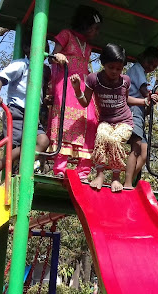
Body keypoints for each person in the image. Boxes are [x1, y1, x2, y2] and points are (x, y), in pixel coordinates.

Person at [0, 32, 50, 206]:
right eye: (40, 46)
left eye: (46, 47)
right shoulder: (21, 64)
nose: (44, 50)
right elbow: (1, 78)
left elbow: (41, 92)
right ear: (27, 48)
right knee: (16, 149)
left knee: (43, 141)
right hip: (17, 112)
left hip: (33, 114)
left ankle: (15, 170)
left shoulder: (43, 70)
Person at [70, 43, 147, 192]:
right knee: (101, 136)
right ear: (103, 64)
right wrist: (77, 89)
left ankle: (115, 177)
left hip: (124, 121)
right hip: (106, 121)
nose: (115, 71)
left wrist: (144, 101)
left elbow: (125, 99)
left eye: (119, 68)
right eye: (111, 67)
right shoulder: (94, 79)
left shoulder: (125, 80)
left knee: (114, 140)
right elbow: (85, 102)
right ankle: (100, 174)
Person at [49, 4, 101, 179]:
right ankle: (60, 168)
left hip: (83, 87)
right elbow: (52, 57)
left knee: (89, 121)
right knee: (65, 120)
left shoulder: (88, 45)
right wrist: (58, 57)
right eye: (95, 28)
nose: (97, 32)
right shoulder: (66, 35)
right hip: (66, 84)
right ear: (85, 24)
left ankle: (83, 170)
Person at [126, 47, 158, 179]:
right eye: (150, 63)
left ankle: (129, 181)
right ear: (143, 57)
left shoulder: (141, 72)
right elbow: (145, 92)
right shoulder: (137, 69)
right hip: (133, 111)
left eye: (154, 66)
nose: (151, 67)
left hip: (139, 113)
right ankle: (127, 182)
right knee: (137, 148)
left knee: (144, 154)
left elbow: (147, 100)